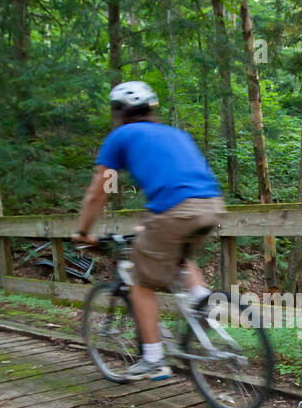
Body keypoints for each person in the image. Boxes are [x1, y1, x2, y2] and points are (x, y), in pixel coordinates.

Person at [72, 81, 226, 380]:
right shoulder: (176, 134)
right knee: (181, 255)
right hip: (212, 206)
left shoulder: (120, 136)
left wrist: (83, 231)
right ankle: (201, 300)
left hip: (175, 211)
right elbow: (179, 181)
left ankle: (154, 358)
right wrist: (149, 222)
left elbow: (97, 194)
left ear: (118, 112)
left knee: (141, 282)